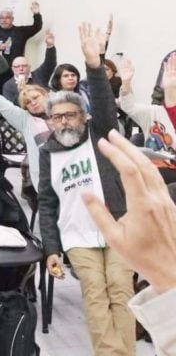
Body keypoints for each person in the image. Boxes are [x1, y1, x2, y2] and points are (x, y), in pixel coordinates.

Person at [38, 23, 134, 356]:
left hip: (118, 227)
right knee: (95, 295)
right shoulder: (47, 153)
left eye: (70, 115)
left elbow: (106, 107)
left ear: (83, 115)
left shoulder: (99, 134)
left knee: (122, 292)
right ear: (50, 121)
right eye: (56, 117)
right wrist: (51, 248)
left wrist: (94, 65)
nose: (63, 122)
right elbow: (47, 203)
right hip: (78, 236)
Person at [82, 129, 176, 356]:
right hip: (81, 236)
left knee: (119, 285)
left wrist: (167, 278)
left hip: (123, 234)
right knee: (94, 288)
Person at [1, 30, 56, 104]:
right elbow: (11, 108)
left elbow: (50, 63)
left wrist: (50, 46)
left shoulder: (39, 74)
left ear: (29, 67)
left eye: (24, 66)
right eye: (17, 67)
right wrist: (20, 93)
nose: (21, 69)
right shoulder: (8, 85)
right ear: (13, 69)